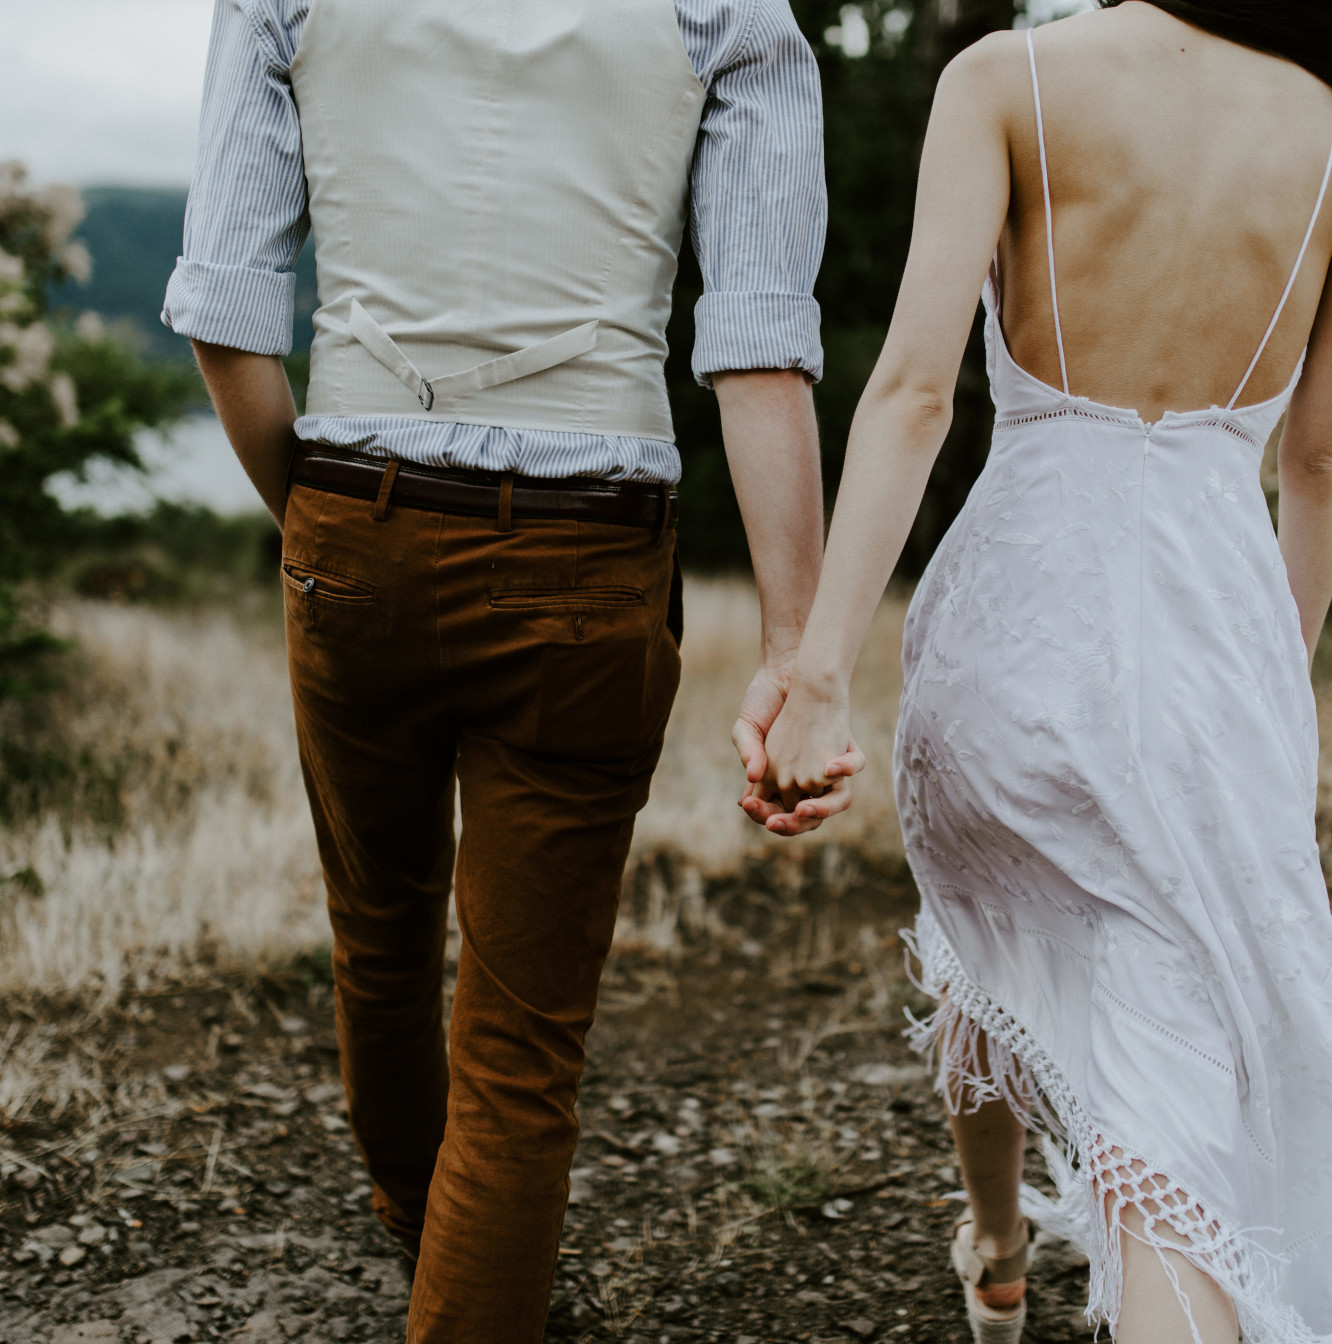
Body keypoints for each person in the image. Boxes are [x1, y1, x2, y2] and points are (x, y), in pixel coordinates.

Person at [753, 2, 1332, 1340]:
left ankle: (1001, 1244)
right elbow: (1324, 456)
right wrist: (1266, 694)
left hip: (1006, 639)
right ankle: (1094, 1259)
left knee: (989, 938)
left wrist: (822, 673)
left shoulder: (1008, 76)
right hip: (1207, 651)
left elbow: (911, 393)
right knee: (1163, 1108)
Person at [162, 1, 835, 1339]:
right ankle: (458, 1257)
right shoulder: (735, 14)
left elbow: (229, 320)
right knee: (522, 1055)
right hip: (589, 560)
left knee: (381, 928)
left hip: (358, 510)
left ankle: (420, 1215)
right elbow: (758, 347)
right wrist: (795, 655)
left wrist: (319, 517)